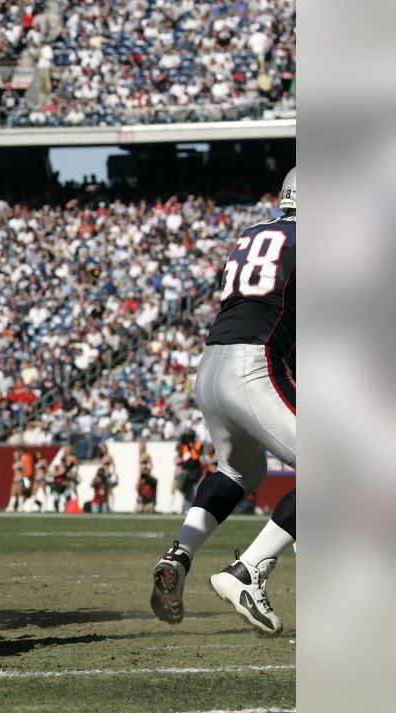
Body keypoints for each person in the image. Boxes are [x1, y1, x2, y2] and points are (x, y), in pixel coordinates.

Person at [151, 168, 296, 635]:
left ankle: (180, 554)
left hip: (211, 364)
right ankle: (248, 571)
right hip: (254, 365)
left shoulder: (253, 233)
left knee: (240, 472)